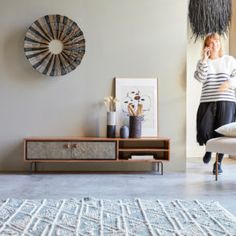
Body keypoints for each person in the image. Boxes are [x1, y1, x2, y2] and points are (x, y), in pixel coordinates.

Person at [194, 33, 236, 174]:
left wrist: (229, 83)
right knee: (204, 130)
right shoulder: (203, 62)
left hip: (227, 101)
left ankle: (218, 163)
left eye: (217, 41)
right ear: (207, 46)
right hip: (207, 101)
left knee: (222, 133)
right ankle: (209, 149)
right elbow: (200, 77)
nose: (215, 45)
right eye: (211, 43)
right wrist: (204, 60)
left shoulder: (229, 60)